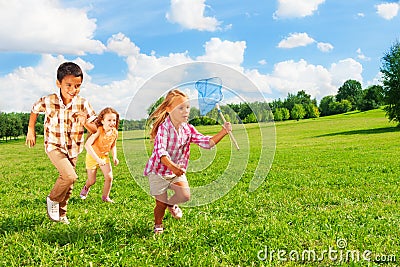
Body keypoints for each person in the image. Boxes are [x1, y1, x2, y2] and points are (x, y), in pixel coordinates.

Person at [144, 89, 232, 234]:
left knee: (184, 195)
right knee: (160, 204)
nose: (186, 111)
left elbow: (206, 142)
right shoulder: (163, 129)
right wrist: (173, 167)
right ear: (169, 110)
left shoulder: (188, 129)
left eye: (187, 107)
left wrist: (223, 132)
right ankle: (158, 225)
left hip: (176, 170)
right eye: (181, 108)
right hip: (159, 171)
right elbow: (160, 151)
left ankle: (171, 205)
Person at [26, 62, 97, 224]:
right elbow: (35, 109)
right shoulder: (49, 101)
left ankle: (61, 214)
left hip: (73, 147)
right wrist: (31, 129)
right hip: (54, 145)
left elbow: (95, 129)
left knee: (69, 183)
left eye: (77, 86)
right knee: (70, 176)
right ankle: (52, 199)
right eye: (69, 85)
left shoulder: (83, 104)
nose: (73, 90)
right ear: (58, 83)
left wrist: (85, 121)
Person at [80, 107, 119, 203]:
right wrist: (97, 160)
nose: (112, 123)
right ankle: (86, 187)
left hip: (104, 157)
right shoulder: (99, 131)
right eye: (109, 120)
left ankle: (105, 197)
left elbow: (113, 145)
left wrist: (114, 157)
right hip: (92, 157)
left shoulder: (115, 132)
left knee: (109, 177)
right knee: (92, 180)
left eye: (114, 120)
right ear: (102, 121)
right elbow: (87, 145)